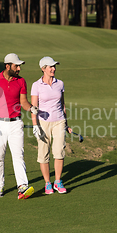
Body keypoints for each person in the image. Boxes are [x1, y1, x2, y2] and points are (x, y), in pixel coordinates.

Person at [0, 53, 38, 199]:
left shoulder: (21, 81)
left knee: (18, 156)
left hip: (16, 123)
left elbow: (24, 102)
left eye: (19, 66)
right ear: (7, 66)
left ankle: (22, 187)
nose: (19, 68)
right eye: (16, 66)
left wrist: (32, 108)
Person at [31, 56, 72, 194]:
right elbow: (34, 107)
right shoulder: (36, 85)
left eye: (54, 66)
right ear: (43, 69)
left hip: (59, 121)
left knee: (59, 151)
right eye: (50, 67)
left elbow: (62, 104)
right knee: (44, 153)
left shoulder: (60, 83)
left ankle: (58, 181)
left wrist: (66, 123)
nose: (53, 69)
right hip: (43, 123)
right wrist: (35, 125)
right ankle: (47, 183)